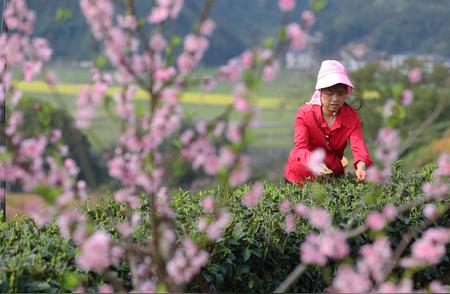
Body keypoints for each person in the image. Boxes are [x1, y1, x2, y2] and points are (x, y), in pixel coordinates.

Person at [284, 60, 373, 184]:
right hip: (300, 176)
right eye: (329, 94)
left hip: (331, 175)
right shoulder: (305, 114)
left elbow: (358, 146)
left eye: (341, 94)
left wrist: (361, 166)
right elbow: (300, 148)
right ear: (320, 91)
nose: (335, 99)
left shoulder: (352, 118)